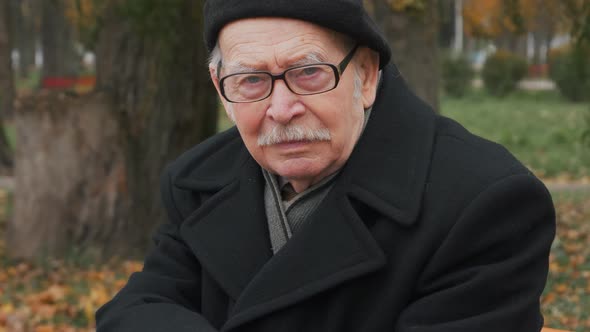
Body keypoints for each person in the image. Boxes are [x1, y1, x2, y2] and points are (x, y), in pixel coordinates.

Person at [96, 1, 556, 331]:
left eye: (308, 73)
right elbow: (137, 307)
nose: (281, 108)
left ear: (368, 74)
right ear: (220, 88)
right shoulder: (198, 182)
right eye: (251, 80)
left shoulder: (484, 201)